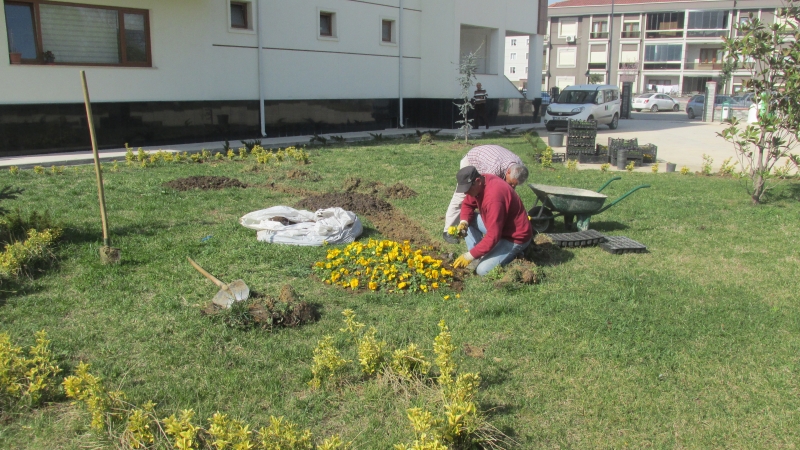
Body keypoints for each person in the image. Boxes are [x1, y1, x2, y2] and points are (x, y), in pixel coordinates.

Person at [451, 166, 533, 276]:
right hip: (500, 227)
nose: (466, 193)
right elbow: (467, 204)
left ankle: (517, 253)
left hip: (515, 237)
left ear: (478, 181)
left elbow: (493, 236)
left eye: (468, 189)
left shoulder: (494, 199)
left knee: (482, 270)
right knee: (469, 219)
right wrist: (464, 222)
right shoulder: (482, 182)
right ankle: (479, 254)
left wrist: (469, 256)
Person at [442, 145, 528, 244]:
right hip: (472, 160)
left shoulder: (519, 168)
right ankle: (447, 231)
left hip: (490, 159)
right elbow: (482, 190)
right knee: (463, 196)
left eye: (515, 185)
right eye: (511, 183)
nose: (512, 187)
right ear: (508, 172)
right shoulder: (493, 169)